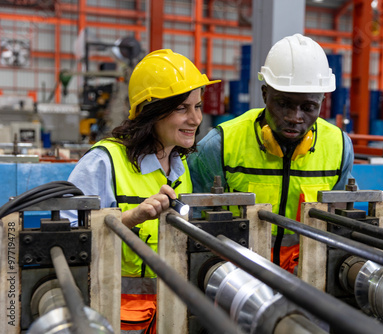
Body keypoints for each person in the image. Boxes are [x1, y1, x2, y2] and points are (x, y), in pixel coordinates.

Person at [64, 49, 219, 333]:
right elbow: (66, 244)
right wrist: (128, 219)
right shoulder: (104, 162)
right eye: (182, 108)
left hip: (170, 313)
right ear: (151, 112)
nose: (196, 119)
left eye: (197, 107)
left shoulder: (180, 165)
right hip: (112, 313)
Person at [188, 34, 354, 274]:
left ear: (322, 101)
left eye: (308, 107)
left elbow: (337, 226)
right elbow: (194, 229)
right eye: (284, 103)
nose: (295, 117)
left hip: (307, 280)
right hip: (234, 278)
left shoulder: (339, 147)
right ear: (265, 94)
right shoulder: (220, 146)